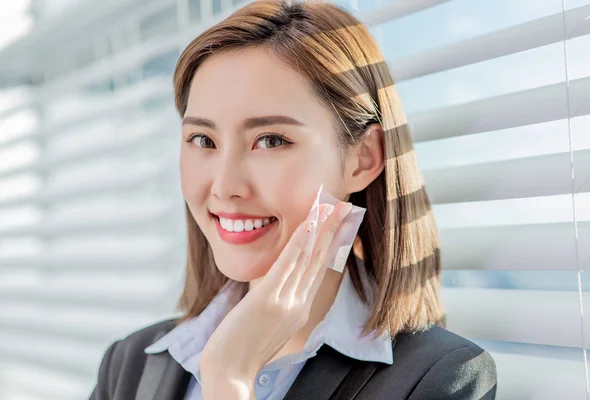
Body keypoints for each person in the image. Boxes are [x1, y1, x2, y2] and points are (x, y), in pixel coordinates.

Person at [89, 0, 497, 399]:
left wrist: (230, 380)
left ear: (363, 158)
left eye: (270, 140)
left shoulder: (440, 379)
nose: (225, 185)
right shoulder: (128, 366)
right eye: (203, 139)